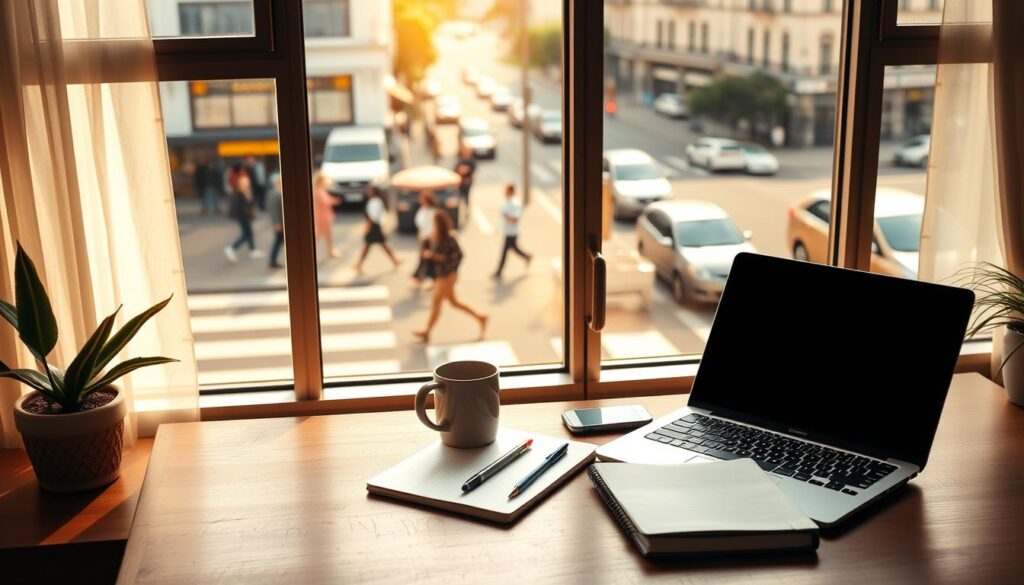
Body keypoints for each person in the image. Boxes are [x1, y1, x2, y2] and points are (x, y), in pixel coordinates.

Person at [413, 212, 487, 343]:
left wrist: (440, 258)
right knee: (454, 303)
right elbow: (429, 247)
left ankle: (427, 331)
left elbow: (459, 255)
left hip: (448, 275)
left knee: (437, 302)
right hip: (441, 275)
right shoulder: (436, 237)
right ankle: (480, 317)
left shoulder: (449, 238)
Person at [354, 185, 401, 275]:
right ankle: (395, 260)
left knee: (375, 245)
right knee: (378, 245)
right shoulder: (376, 201)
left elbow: (372, 216)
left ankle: (359, 264)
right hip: (375, 226)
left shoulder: (374, 202)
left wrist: (368, 227)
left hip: (374, 227)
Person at [494, 183, 532, 277]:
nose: (504, 192)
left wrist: (507, 217)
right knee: (514, 248)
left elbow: (516, 217)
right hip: (507, 230)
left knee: (505, 251)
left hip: (512, 232)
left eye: (506, 190)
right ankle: (527, 256)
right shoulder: (507, 201)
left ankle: (499, 271)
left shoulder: (514, 203)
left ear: (510, 191)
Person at [224, 175, 263, 262]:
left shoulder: (246, 192)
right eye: (246, 183)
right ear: (241, 184)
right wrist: (249, 212)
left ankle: (253, 250)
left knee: (249, 233)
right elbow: (240, 207)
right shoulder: (238, 194)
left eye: (248, 183)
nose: (247, 185)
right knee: (247, 234)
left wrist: (251, 202)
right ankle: (231, 248)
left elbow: (251, 203)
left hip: (246, 216)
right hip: (243, 217)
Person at [411, 190, 438, 289]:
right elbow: (419, 225)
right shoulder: (422, 210)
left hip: (430, 239)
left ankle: (420, 278)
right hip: (423, 238)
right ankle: (420, 278)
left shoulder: (434, 212)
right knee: (424, 259)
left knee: (427, 260)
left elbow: (434, 227)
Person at [312, 171, 340, 259]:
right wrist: (334, 201)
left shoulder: (321, 189)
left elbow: (327, 199)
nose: (326, 182)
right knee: (319, 234)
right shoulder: (318, 190)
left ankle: (331, 251)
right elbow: (325, 201)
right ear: (321, 181)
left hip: (325, 215)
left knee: (328, 234)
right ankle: (310, 250)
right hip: (322, 216)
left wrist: (333, 200)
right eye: (324, 180)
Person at [267, 172, 285, 269]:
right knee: (278, 241)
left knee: (279, 241)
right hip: (279, 223)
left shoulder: (277, 193)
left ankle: (273, 261)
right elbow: (273, 210)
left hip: (280, 222)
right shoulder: (274, 194)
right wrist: (277, 223)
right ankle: (273, 261)